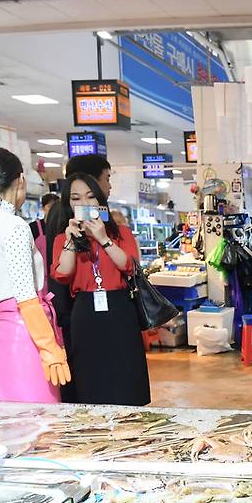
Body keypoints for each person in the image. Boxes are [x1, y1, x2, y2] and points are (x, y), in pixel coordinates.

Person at [0, 147, 70, 402]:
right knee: (39, 422)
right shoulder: (13, 226)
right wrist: (50, 348)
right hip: (25, 332)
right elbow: (26, 296)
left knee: (10, 418)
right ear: (20, 180)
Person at [50, 173, 150, 406]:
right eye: (76, 198)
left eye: (90, 196)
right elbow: (62, 274)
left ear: (101, 200)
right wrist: (71, 242)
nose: (84, 204)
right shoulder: (62, 239)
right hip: (85, 313)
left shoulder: (121, 234)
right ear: (69, 204)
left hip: (120, 309)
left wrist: (103, 239)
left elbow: (130, 266)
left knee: (125, 375)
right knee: (90, 377)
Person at [46, 154, 112, 402]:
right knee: (84, 374)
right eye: (106, 179)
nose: (109, 186)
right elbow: (62, 269)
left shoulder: (63, 214)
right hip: (74, 308)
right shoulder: (70, 220)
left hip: (68, 308)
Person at [29, 193, 58, 296]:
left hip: (56, 280)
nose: (53, 211)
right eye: (50, 207)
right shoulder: (33, 228)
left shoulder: (60, 228)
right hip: (39, 280)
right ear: (43, 208)